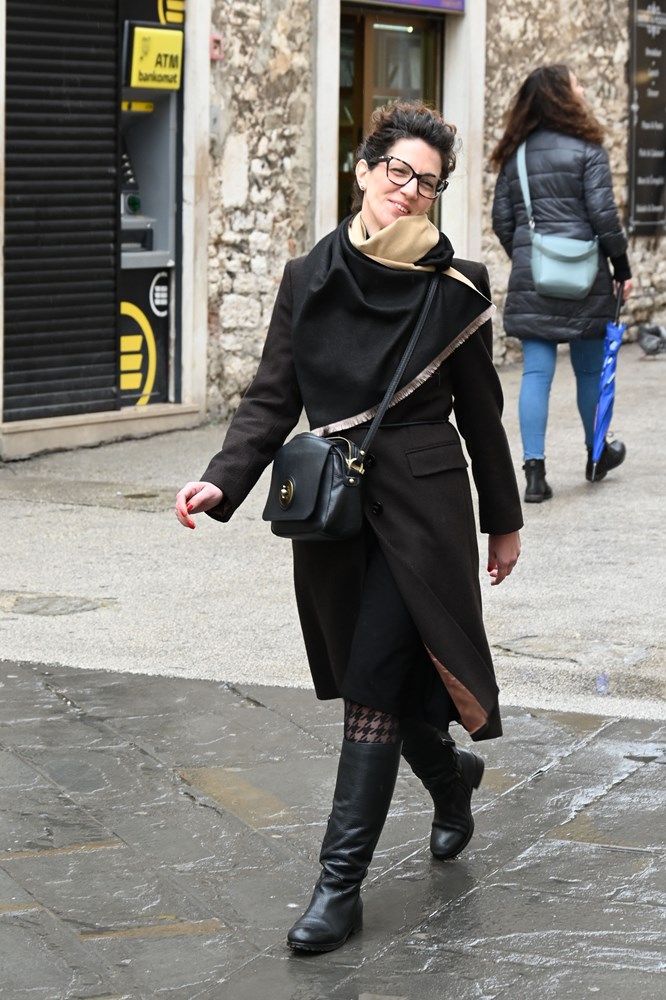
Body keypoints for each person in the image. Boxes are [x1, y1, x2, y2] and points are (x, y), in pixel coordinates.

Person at [175, 101, 523, 953]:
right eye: (398, 171)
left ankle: (339, 889)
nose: (410, 190)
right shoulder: (309, 277)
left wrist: (503, 521)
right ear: (363, 170)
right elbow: (272, 396)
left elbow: (482, 417)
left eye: (428, 183)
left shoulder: (458, 285)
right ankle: (452, 779)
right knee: (387, 686)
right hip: (332, 514)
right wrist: (222, 479)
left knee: (371, 685)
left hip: (426, 514)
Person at [490, 64, 633, 503]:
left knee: (536, 373)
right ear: (562, 97)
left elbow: (502, 221)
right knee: (589, 370)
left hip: (535, 277)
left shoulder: (515, 154)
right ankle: (596, 455)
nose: (584, 88)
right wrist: (621, 268)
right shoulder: (588, 149)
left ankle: (534, 474)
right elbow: (604, 217)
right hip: (586, 279)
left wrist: (528, 257)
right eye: (577, 83)